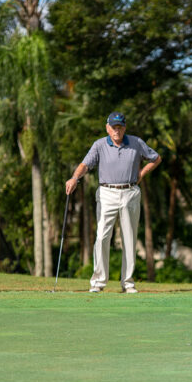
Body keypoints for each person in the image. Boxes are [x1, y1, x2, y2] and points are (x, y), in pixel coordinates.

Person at [66, 112, 161, 294]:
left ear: (124, 127)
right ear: (107, 128)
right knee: (102, 236)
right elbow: (85, 164)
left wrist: (141, 174)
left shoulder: (136, 142)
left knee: (129, 237)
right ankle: (98, 282)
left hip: (130, 192)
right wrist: (74, 178)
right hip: (106, 193)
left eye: (120, 127)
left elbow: (156, 158)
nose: (117, 130)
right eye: (114, 127)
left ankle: (128, 283)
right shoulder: (99, 145)